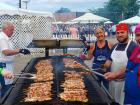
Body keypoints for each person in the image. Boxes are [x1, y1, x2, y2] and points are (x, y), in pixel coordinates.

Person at [102, 23, 137, 105]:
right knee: (113, 102)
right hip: (113, 82)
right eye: (118, 33)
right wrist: (103, 67)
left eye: (122, 32)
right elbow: (110, 61)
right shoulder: (115, 46)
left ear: (127, 32)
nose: (119, 35)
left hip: (125, 84)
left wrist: (116, 74)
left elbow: (131, 68)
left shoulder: (133, 47)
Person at [0, 21, 30, 97]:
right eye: (11, 30)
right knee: (7, 87)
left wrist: (19, 51)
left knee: (8, 85)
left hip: (7, 65)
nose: (12, 32)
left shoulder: (5, 38)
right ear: (5, 29)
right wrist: (20, 50)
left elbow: (9, 50)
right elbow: (5, 52)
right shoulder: (2, 38)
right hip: (3, 66)